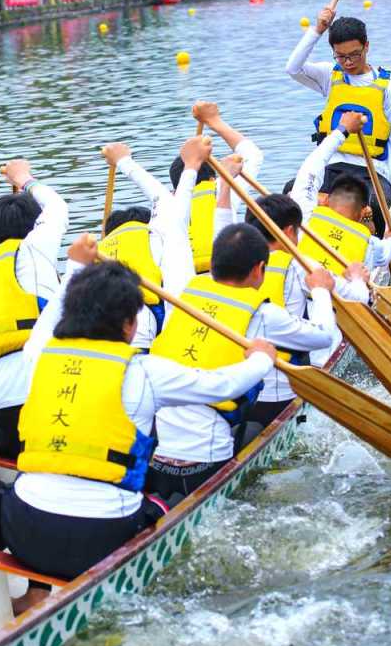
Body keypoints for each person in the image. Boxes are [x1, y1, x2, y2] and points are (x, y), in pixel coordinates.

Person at [0, 241, 276, 595]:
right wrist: (261, 358)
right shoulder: (144, 370)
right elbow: (221, 385)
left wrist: (75, 267)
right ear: (129, 323)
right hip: (99, 538)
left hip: (21, 527)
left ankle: (36, 593)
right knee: (167, 502)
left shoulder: (39, 353)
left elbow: (50, 317)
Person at [147, 223, 336, 503]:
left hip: (155, 459)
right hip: (206, 464)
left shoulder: (186, 298)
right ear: (259, 269)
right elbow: (324, 336)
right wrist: (320, 290)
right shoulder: (264, 314)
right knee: (255, 430)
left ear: (212, 265)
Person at [0, 159, 68, 459]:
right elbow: (57, 207)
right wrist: (24, 178)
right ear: (35, 229)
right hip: (47, 396)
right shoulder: (34, 248)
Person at [285, 7, 391, 236]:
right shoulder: (330, 75)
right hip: (332, 167)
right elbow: (293, 68)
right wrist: (317, 30)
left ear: (366, 46)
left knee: (376, 204)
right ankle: (300, 246)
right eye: (340, 56)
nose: (348, 62)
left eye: (354, 54)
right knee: (291, 192)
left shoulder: (388, 89)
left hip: (371, 171)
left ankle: (374, 251)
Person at [98, 137, 208, 348]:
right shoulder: (157, 239)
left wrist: (123, 161)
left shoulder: (93, 255)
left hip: (94, 340)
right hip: (152, 334)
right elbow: (166, 203)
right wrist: (191, 165)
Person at [289, 113, 391, 276]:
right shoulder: (368, 244)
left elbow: (311, 167)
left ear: (325, 200)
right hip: (337, 290)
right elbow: (388, 250)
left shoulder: (304, 215)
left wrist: (342, 129)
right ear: (363, 213)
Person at [169, 101, 263, 274]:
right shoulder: (220, 187)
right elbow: (253, 155)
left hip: (184, 282)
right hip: (226, 276)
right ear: (213, 178)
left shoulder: (167, 204)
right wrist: (213, 121)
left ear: (174, 190)